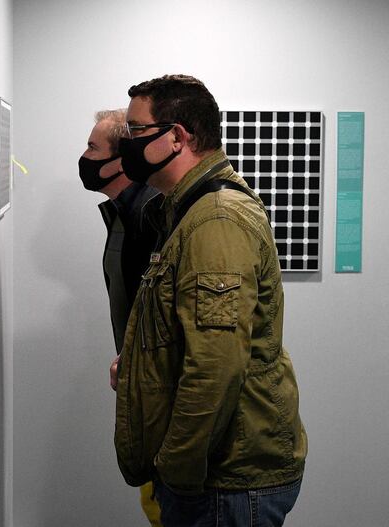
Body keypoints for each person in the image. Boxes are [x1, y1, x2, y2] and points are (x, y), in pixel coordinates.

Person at [112, 75, 307, 527]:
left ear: (177, 137)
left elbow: (216, 366)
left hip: (225, 482)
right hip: (220, 476)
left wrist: (177, 470)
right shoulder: (188, 209)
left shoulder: (215, 219)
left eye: (136, 131)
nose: (128, 145)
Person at [78, 109, 162, 526]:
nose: (85, 157)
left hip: (162, 399)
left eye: (93, 147)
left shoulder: (152, 214)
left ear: (121, 159)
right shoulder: (122, 214)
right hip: (143, 388)